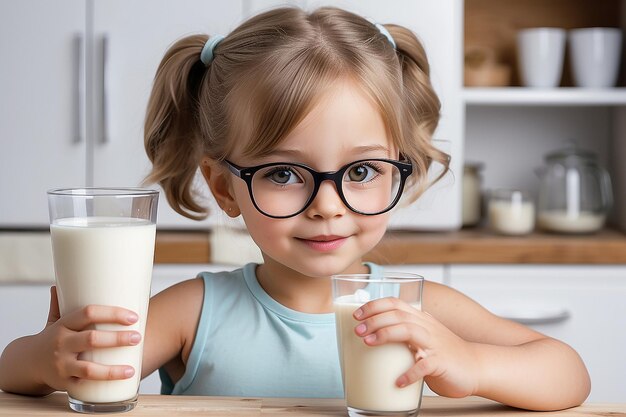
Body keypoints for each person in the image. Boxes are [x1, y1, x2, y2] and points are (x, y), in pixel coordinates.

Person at [0, 6, 590, 411]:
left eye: (360, 172)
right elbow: (19, 375)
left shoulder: (416, 309)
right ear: (226, 188)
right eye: (284, 174)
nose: (328, 207)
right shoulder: (193, 314)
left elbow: (569, 374)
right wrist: (46, 357)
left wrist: (473, 365)